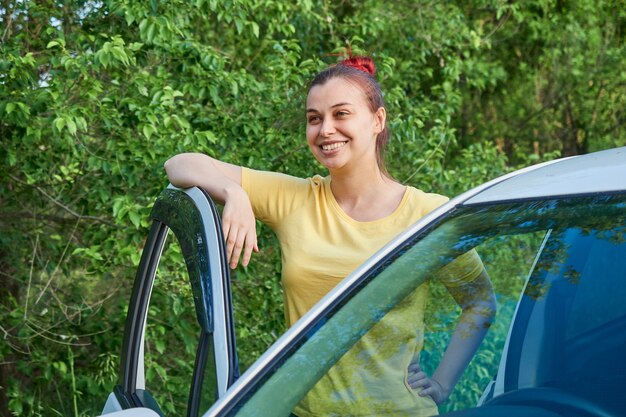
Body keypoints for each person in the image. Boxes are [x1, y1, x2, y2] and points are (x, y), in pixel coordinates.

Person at [165, 55, 496, 416]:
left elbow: (479, 303)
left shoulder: (427, 215)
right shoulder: (294, 199)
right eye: (314, 118)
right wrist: (234, 193)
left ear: (377, 121)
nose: (325, 130)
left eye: (341, 114)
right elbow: (181, 164)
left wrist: (442, 384)